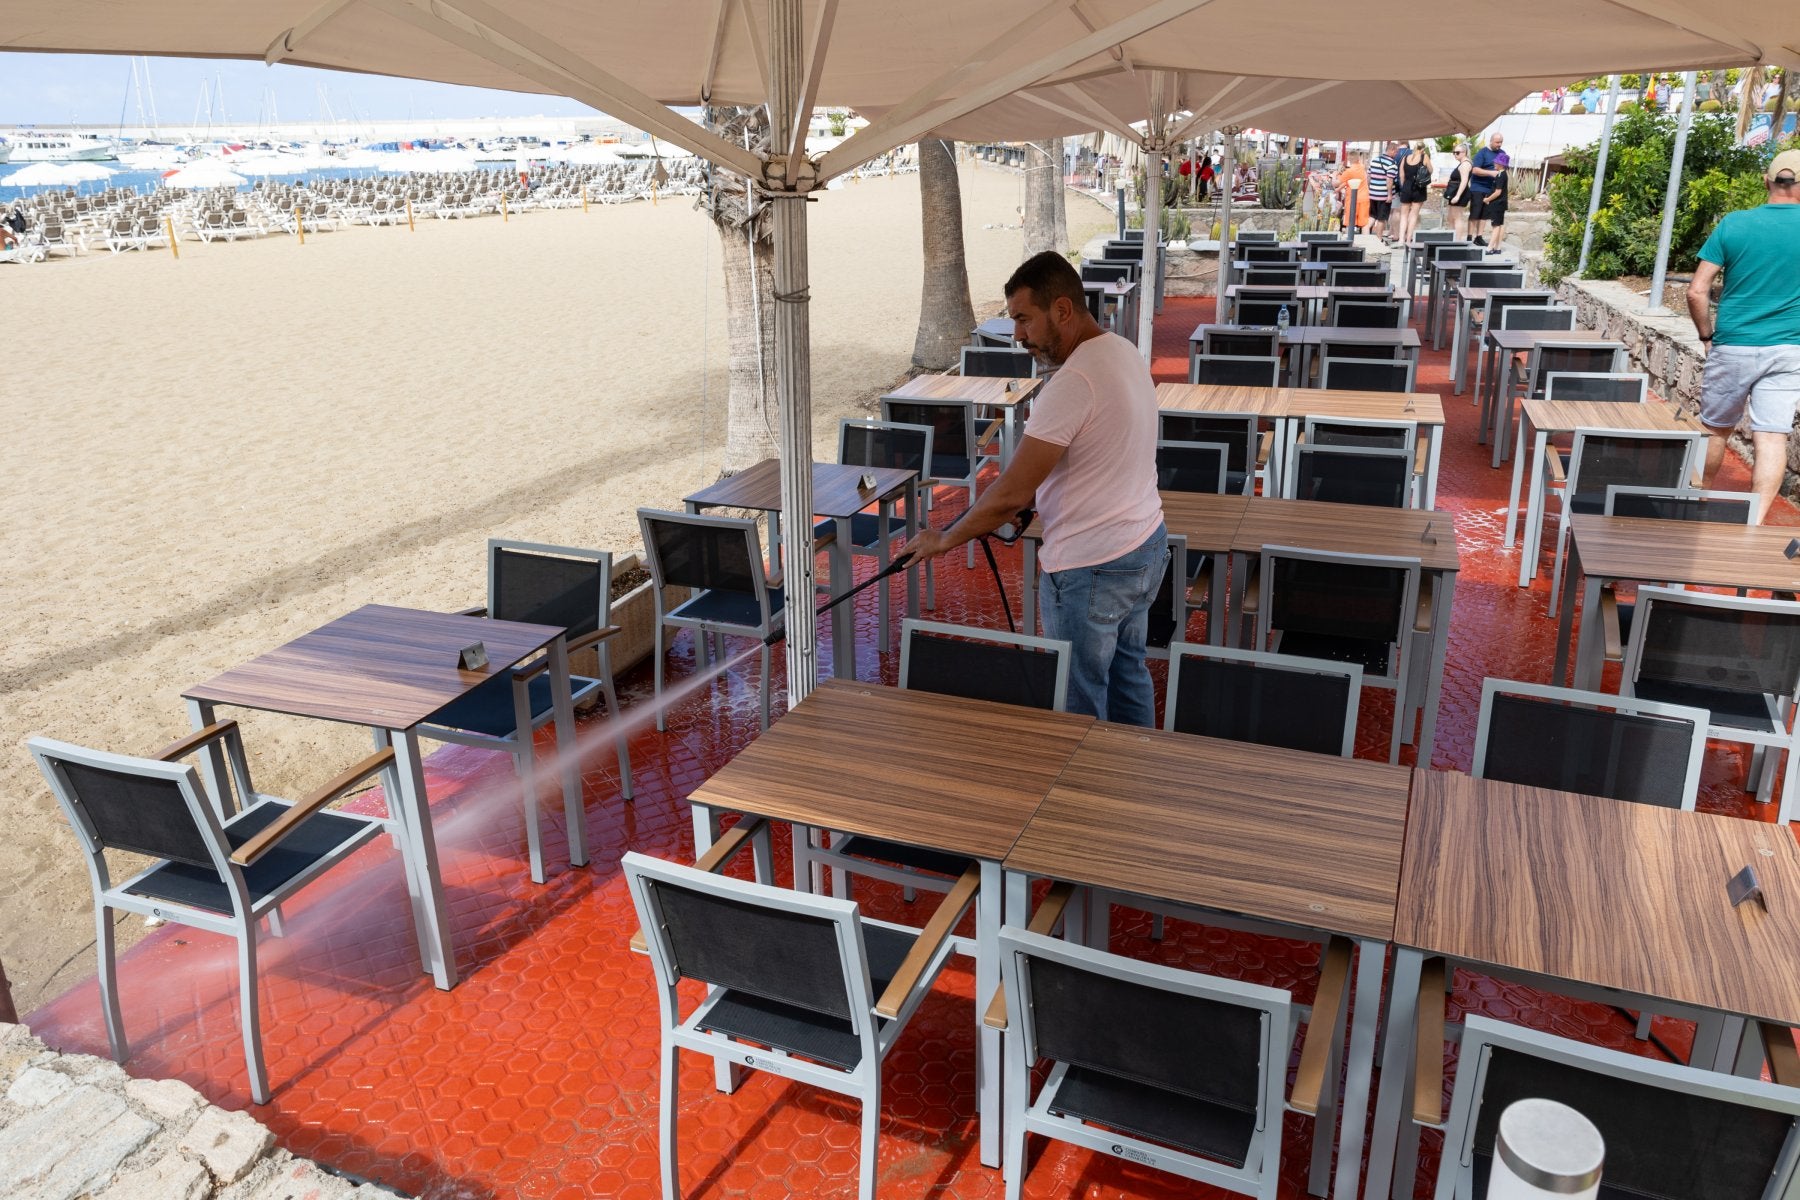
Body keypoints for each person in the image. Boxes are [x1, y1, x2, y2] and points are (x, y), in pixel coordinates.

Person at [901, 251, 1167, 724]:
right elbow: (1098, 456)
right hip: (1145, 546)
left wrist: (943, 540)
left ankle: (1083, 795)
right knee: (1129, 678)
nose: (1017, 334)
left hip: (1092, 568)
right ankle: (1134, 779)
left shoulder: (1071, 383)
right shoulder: (1122, 350)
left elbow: (1011, 493)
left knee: (1079, 700)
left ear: (1062, 310)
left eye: (1024, 319)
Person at [1687, 149, 1800, 521]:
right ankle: (1752, 525)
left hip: (1734, 343)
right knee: (1771, 437)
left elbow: (1696, 290)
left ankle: (1696, 505)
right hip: (1789, 349)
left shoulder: (1734, 224)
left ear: (1767, 182)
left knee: (1715, 429)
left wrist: (1706, 335)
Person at [1468, 132, 1506, 245]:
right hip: (1478, 187)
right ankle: (1469, 237)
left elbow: (1504, 169)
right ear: (1491, 141)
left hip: (1492, 189)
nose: (1499, 144)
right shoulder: (1482, 153)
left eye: (1501, 142)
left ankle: (1479, 237)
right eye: (1497, 142)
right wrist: (1491, 173)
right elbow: (1475, 170)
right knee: (1475, 212)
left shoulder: (1502, 153)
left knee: (1485, 214)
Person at [1394, 141, 1432, 246]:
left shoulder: (1405, 158)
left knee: (1403, 215)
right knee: (1414, 214)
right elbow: (1430, 170)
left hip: (1406, 187)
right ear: (1423, 149)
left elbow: (1401, 175)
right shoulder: (1424, 157)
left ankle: (1401, 239)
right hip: (1419, 188)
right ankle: (1408, 239)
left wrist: (1404, 186)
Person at [1366, 142, 1398, 242]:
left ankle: (1366, 235)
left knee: (1372, 216)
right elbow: (1389, 180)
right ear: (1391, 150)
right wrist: (1389, 194)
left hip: (1373, 194)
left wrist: (1370, 189)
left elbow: (1368, 177)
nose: (1396, 154)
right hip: (1383, 195)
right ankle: (1378, 239)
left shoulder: (1375, 161)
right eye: (1396, 151)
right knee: (1381, 218)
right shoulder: (1392, 164)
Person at [1482, 150, 1511, 252]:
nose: (1494, 163)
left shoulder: (1500, 175)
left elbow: (1498, 192)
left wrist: (1487, 199)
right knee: (1499, 224)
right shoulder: (1503, 174)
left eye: (1496, 162)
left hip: (1497, 204)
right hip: (1501, 204)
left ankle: (1490, 247)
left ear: (1501, 164)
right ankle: (1497, 247)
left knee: (1495, 226)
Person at [1443, 143, 1473, 240]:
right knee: (1451, 217)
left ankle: (1457, 240)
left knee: (1457, 217)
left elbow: (1464, 181)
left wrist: (1458, 196)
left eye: (1457, 152)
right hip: (1455, 192)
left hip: (1460, 193)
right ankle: (1453, 238)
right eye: (1454, 152)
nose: (1455, 154)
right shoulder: (1462, 164)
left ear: (1465, 153)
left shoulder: (1465, 164)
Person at [1337, 152, 1371, 234]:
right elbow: (1348, 181)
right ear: (1358, 159)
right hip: (1364, 198)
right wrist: (1339, 188)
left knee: (1350, 222)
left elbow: (1336, 182)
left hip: (1352, 199)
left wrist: (1337, 173)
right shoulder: (1362, 167)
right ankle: (1367, 243)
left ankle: (1349, 243)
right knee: (1364, 224)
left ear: (1348, 159)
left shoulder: (1349, 171)